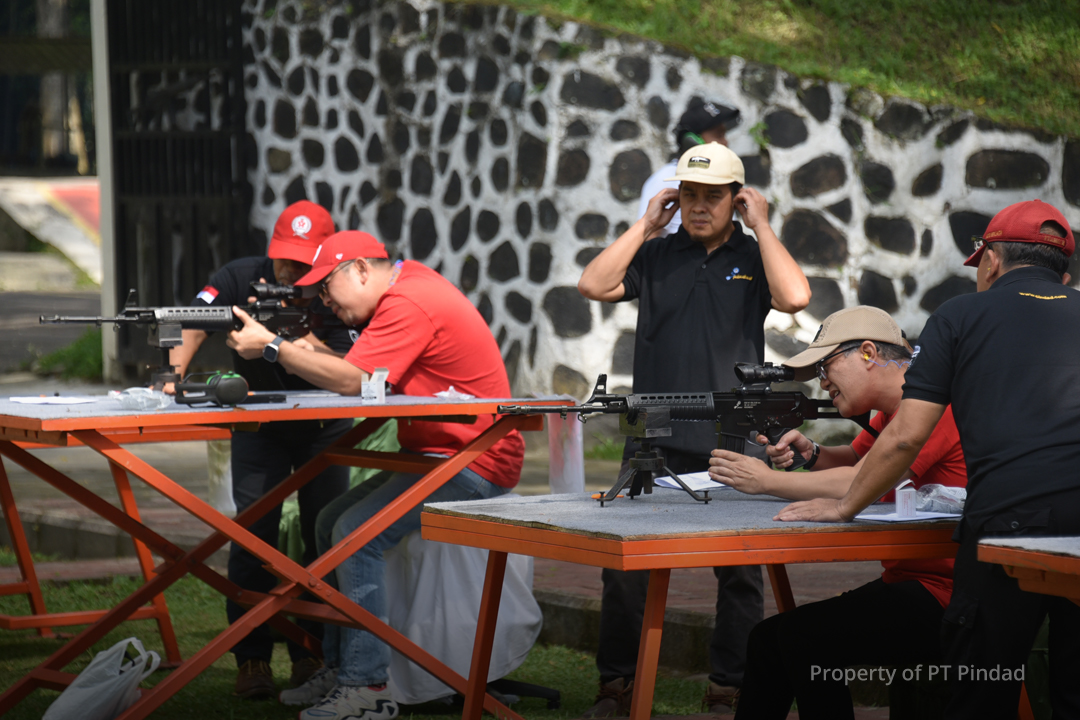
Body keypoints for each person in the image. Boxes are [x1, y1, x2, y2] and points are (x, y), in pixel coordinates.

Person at [777, 200, 1080, 719]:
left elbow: (905, 438)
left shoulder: (959, 316)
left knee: (983, 691)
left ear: (989, 262)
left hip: (1002, 528)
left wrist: (845, 505)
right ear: (1065, 275)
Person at [225, 229, 525, 720]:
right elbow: (361, 375)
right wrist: (296, 344)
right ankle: (343, 667)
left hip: (475, 460)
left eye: (327, 288)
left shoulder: (407, 302)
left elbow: (353, 381)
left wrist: (275, 347)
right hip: (442, 456)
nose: (325, 300)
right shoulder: (406, 289)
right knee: (328, 522)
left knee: (352, 533)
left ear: (361, 270)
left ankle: (368, 687)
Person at [577, 142, 811, 715]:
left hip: (732, 427)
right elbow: (593, 285)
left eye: (713, 196)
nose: (699, 206)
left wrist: (762, 226)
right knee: (626, 564)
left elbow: (795, 296)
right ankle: (618, 686)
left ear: (737, 198)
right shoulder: (656, 255)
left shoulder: (755, 256)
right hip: (652, 426)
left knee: (737, 569)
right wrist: (644, 225)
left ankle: (728, 687)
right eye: (689, 195)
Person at [706, 305, 967, 719]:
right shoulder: (893, 412)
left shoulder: (932, 408)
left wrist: (766, 480)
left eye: (826, 367)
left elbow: (862, 480)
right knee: (766, 640)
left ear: (867, 353)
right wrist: (811, 453)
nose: (822, 381)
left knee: (801, 638)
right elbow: (854, 462)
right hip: (912, 582)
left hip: (953, 597)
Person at [168, 200, 353, 699]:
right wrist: (175, 374)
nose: (290, 271)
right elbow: (192, 319)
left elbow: (353, 367)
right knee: (253, 534)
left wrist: (295, 335)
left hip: (325, 424)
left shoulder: (336, 290)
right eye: (284, 259)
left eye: (302, 263)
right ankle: (252, 658)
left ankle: (313, 652)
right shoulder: (239, 277)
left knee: (328, 536)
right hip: (258, 422)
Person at [636, 98, 741, 237]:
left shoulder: (721, 178)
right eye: (718, 135)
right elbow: (648, 237)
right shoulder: (665, 179)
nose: (725, 141)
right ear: (691, 141)